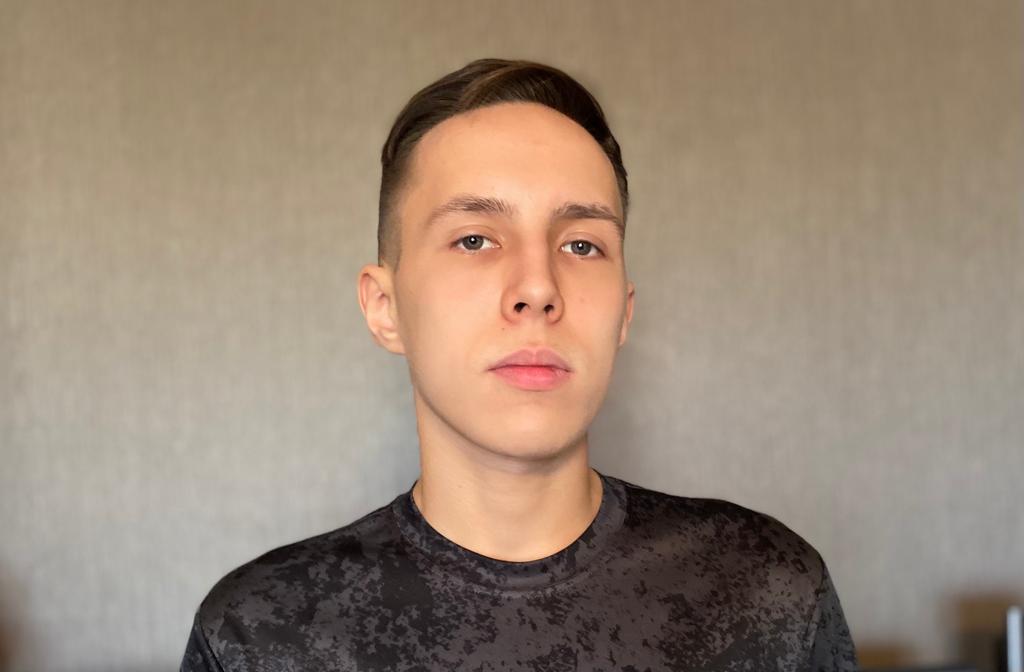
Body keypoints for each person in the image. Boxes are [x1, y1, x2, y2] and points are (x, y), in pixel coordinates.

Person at [179, 58, 858, 672]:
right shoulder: (261, 636)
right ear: (385, 308)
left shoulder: (770, 592)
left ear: (623, 314)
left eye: (582, 245)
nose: (537, 287)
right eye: (475, 239)